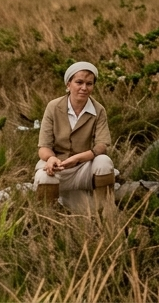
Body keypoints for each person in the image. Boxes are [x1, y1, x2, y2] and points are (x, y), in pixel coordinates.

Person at [34, 61, 116, 215]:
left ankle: (105, 212)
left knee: (104, 161)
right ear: (68, 84)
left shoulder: (98, 110)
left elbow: (102, 145)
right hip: (59, 167)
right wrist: (51, 159)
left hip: (82, 168)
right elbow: (44, 146)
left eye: (89, 84)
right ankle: (47, 218)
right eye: (79, 82)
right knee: (44, 176)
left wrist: (79, 158)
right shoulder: (53, 107)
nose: (84, 88)